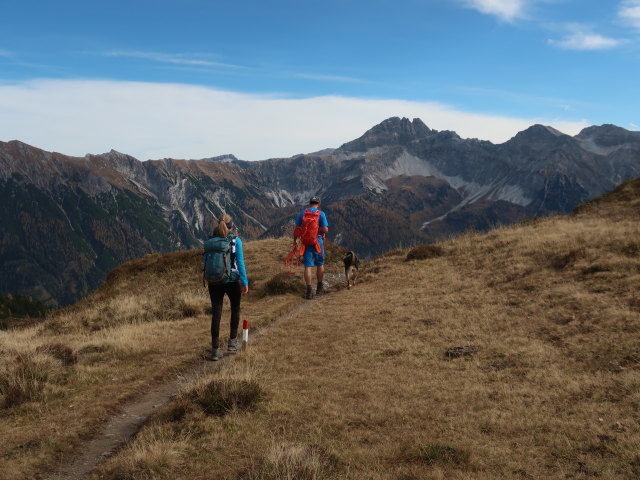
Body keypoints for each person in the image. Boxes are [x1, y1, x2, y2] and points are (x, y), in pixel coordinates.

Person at [204, 213, 248, 361]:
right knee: (235, 308)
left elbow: (205, 262)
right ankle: (232, 342)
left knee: (216, 313)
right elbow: (240, 263)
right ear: (230, 226)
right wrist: (245, 282)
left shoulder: (210, 242)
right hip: (231, 280)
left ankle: (215, 350)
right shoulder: (235, 241)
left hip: (214, 282)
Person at [295, 196, 329, 299]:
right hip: (317, 242)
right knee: (320, 264)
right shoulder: (321, 214)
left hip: (306, 243)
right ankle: (319, 287)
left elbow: (297, 228)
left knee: (307, 266)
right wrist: (322, 232)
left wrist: (295, 241)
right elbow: (325, 229)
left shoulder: (303, 213)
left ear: (309, 203)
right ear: (318, 204)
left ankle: (309, 291)